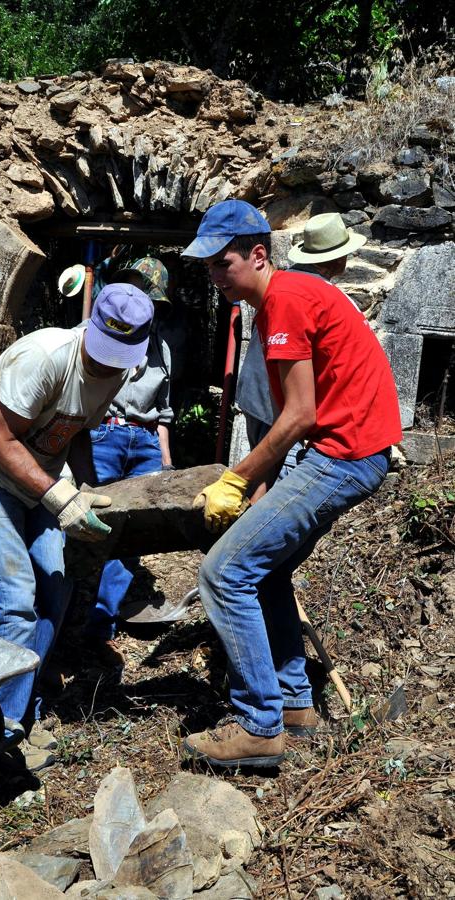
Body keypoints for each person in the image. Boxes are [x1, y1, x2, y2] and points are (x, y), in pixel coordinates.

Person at [181, 202, 402, 769]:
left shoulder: (285, 299)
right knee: (266, 568)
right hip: (345, 453)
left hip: (343, 455)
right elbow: (295, 417)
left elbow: (300, 415)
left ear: (258, 254)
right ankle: (295, 704)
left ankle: (259, 724)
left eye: (221, 263)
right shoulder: (283, 300)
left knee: (224, 573)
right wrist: (262, 494)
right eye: (206, 266)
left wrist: (236, 478)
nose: (213, 274)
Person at [0, 284, 154, 768]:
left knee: (54, 590)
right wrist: (60, 497)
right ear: (90, 328)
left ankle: (18, 716)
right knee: (15, 601)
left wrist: (83, 485)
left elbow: (77, 430)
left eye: (118, 356)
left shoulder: (120, 372)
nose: (106, 365)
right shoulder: (46, 356)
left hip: (40, 472)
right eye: (102, 352)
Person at [83, 258, 174, 667]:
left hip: (145, 441)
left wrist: (165, 462)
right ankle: (65, 615)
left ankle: (100, 625)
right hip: (105, 432)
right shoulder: (101, 338)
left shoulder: (163, 350)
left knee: (131, 535)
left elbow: (165, 412)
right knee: (86, 523)